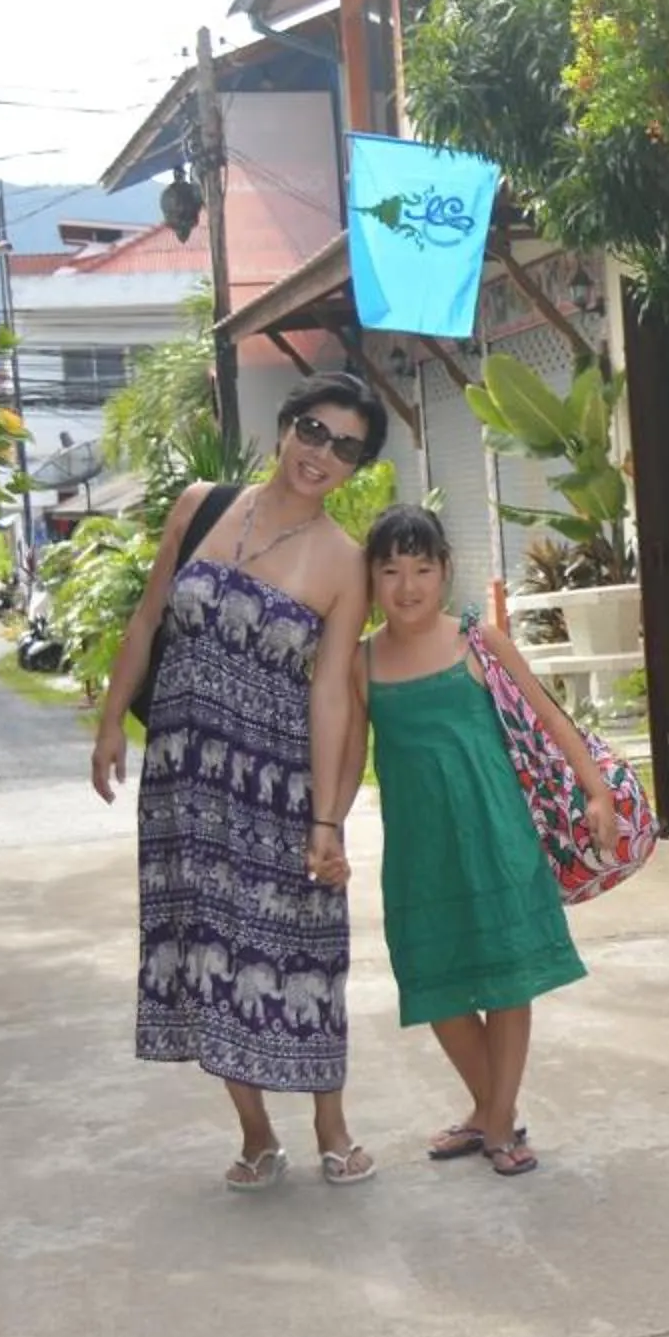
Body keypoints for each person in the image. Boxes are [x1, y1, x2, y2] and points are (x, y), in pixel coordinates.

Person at [93, 375, 383, 1189]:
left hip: (278, 791)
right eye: (314, 432)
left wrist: (328, 820)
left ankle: (332, 1123)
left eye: (345, 447)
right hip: (184, 783)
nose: (322, 454)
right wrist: (113, 719)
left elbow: (332, 692)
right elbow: (150, 616)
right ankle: (256, 1133)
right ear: (288, 427)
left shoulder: (344, 562)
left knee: (304, 953)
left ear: (357, 467)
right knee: (205, 952)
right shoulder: (201, 506)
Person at [334, 504, 610, 1177]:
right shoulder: (363, 661)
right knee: (440, 985)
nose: (407, 586)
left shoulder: (478, 641)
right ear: (372, 578)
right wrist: (327, 828)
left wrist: (596, 790)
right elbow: (347, 757)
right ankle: (493, 1112)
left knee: (509, 980)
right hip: (420, 855)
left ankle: (497, 1124)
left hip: (497, 835)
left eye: (421, 569)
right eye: (391, 570)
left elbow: (547, 713)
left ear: (445, 572)